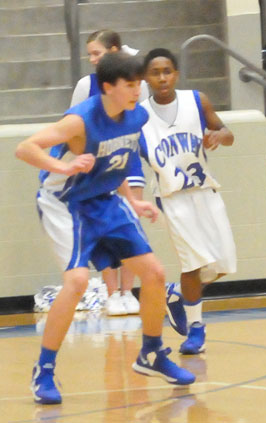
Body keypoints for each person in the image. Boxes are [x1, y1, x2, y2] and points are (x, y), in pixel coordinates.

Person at [16, 51, 195, 405]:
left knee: (155, 273)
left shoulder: (136, 116)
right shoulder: (79, 121)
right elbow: (25, 148)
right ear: (107, 87)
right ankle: (45, 370)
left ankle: (151, 354)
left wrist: (132, 199)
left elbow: (119, 157)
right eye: (131, 84)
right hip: (65, 203)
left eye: (139, 83)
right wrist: (62, 166)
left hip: (105, 200)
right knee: (78, 282)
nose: (138, 90)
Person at [137, 48, 237, 355]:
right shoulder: (138, 115)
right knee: (193, 262)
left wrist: (220, 136)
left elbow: (226, 131)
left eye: (167, 71)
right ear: (146, 78)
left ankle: (177, 295)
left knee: (223, 262)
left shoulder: (197, 100)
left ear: (176, 74)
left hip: (204, 190)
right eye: (155, 72)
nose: (162, 77)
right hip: (172, 197)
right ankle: (196, 329)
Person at [71, 29, 149, 316]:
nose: (92, 59)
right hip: (96, 165)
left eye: (97, 53)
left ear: (114, 51)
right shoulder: (85, 85)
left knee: (130, 224)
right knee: (102, 228)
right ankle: (112, 293)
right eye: (90, 53)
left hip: (126, 158)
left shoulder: (134, 82)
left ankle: (129, 292)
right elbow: (74, 128)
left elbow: (136, 123)